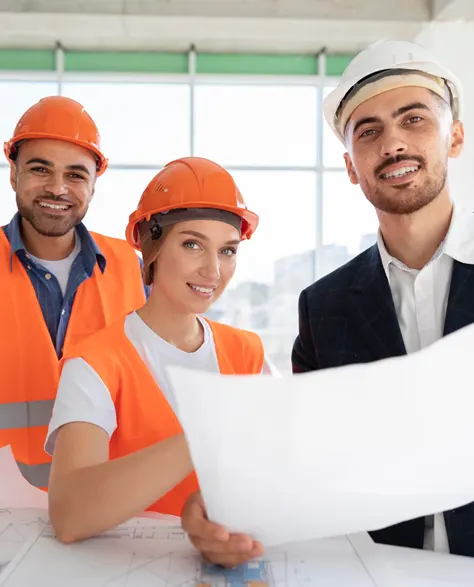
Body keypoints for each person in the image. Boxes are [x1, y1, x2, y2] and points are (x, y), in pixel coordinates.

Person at [292, 40, 474, 557]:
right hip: (379, 568)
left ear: (454, 137)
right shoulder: (322, 308)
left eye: (413, 119)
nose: (393, 144)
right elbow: (313, 458)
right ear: (351, 166)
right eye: (368, 132)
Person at [45, 156, 275, 546]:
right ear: (151, 248)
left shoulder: (247, 352)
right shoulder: (95, 363)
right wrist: (207, 434)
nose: (213, 271)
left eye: (227, 251)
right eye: (192, 245)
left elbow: (277, 469)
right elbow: (70, 514)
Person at [0, 96, 148, 491]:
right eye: (40, 169)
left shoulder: (131, 267)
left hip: (107, 500)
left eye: (76, 175)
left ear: (94, 184)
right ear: (12, 173)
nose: (57, 188)